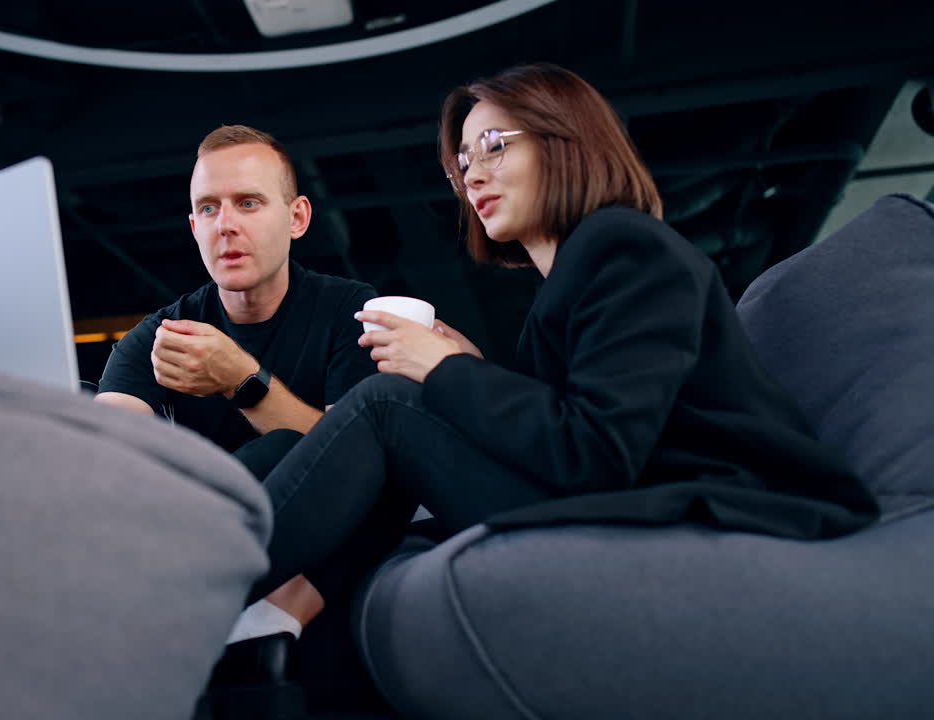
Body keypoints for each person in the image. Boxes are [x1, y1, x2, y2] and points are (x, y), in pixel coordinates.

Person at [224, 62, 879, 667]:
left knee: (385, 403)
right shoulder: (574, 278)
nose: (471, 176)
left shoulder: (625, 246)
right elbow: (571, 427)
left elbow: (595, 451)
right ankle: (266, 615)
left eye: (495, 146)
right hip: (624, 487)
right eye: (461, 165)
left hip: (717, 508)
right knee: (290, 440)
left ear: (565, 142)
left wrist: (445, 374)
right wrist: (466, 369)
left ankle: (192, 591)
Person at [95, 125, 378, 477]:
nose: (224, 225)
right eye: (209, 208)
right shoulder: (161, 338)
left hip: (328, 523)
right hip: (208, 524)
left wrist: (242, 380)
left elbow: (355, 460)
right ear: (195, 228)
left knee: (278, 450)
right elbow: (104, 453)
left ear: (297, 218)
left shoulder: (352, 312)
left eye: (248, 203)